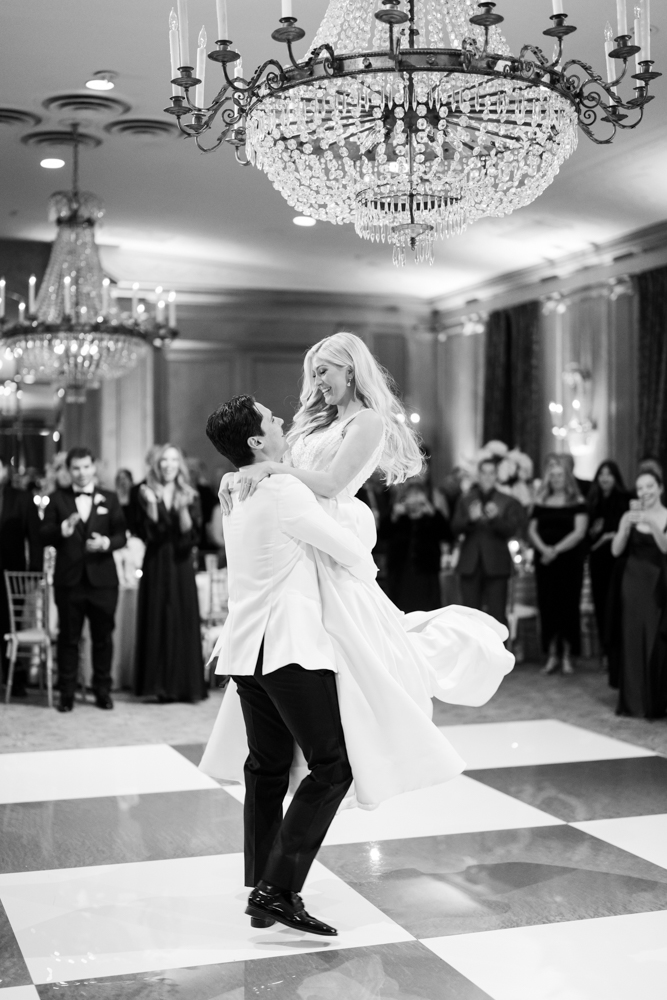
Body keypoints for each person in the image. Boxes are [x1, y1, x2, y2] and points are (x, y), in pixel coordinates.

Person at [212, 332, 513, 812]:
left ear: (350, 369)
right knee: (293, 669)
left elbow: (330, 484)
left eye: (323, 372)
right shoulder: (316, 422)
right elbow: (266, 461)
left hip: (329, 541)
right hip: (299, 541)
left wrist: (274, 473)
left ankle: (348, 763)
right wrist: (240, 472)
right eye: (313, 373)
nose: (316, 383)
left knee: (351, 665)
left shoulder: (368, 421)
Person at [202, 395, 393, 935]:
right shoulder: (282, 487)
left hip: (243, 651)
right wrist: (357, 525)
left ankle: (261, 884)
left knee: (265, 767)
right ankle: (277, 890)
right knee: (332, 766)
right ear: (257, 442)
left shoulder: (236, 490)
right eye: (269, 418)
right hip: (286, 650)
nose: (282, 419)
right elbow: (349, 552)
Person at [40, 447, 126, 712]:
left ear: (93, 468)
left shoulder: (110, 498)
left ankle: (102, 691)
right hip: (69, 581)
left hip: (103, 581)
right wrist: (60, 530)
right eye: (76, 468)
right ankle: (66, 693)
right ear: (68, 470)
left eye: (86, 467)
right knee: (68, 639)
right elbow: (42, 535)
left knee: (103, 639)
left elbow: (122, 534)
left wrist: (107, 542)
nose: (81, 472)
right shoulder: (56, 499)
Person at [134, 444, 207, 703]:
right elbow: (147, 534)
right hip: (155, 562)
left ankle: (184, 687)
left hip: (180, 563)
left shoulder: (190, 494)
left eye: (173, 460)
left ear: (180, 465)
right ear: (157, 464)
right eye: (164, 460)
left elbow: (191, 537)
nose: (168, 464)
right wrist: (153, 506)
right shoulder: (144, 491)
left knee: (181, 619)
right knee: (156, 619)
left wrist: (183, 509)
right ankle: (158, 686)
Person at [608, 468, 667, 719]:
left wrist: (652, 523)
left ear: (660, 488)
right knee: (631, 638)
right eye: (640, 488)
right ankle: (633, 702)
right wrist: (624, 527)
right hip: (632, 581)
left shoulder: (665, 515)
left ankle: (654, 701)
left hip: (657, 581)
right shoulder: (628, 516)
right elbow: (615, 550)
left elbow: (665, 549)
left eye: (649, 486)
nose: (645, 492)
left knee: (655, 637)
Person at [529, 459, 588, 675]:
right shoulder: (541, 500)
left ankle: (567, 655)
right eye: (552, 475)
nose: (556, 479)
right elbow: (532, 530)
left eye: (560, 475)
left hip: (569, 562)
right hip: (545, 562)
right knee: (548, 607)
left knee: (568, 607)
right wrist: (544, 549)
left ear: (567, 478)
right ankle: (552, 654)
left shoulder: (577, 500)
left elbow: (579, 532)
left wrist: (555, 550)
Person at [452, 458, 526, 629]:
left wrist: (495, 519)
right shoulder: (466, 499)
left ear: (496, 476)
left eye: (491, 473)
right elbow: (454, 528)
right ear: (478, 475)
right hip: (470, 563)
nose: (487, 477)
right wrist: (470, 520)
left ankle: (499, 654)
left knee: (497, 616)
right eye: (483, 473)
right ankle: (471, 655)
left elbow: (513, 529)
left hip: (497, 563)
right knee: (469, 617)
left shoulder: (508, 501)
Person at [0, 457, 43, 697]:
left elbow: (35, 537)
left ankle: (14, 678)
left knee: (11, 626)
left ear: (5, 470)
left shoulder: (21, 498)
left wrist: (34, 572)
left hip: (11, 574)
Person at [382, 483, 452, 612]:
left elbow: (447, 535)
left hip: (426, 572)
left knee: (428, 608)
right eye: (410, 497)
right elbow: (382, 534)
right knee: (401, 607)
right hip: (401, 572)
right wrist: (394, 515)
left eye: (417, 497)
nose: (413, 502)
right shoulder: (399, 517)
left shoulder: (431, 517)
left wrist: (433, 513)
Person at [586, 461, 630, 663]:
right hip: (598, 561)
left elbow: (627, 532)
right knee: (601, 604)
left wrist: (609, 536)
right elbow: (588, 535)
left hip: (617, 561)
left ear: (616, 477)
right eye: (601, 474)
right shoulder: (592, 501)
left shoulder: (625, 500)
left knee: (618, 605)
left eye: (609, 474)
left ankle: (619, 650)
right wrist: (596, 534)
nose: (605, 478)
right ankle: (605, 651)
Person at [115, 468, 139, 537]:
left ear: (130, 479)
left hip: (135, 533)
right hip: (120, 533)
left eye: (124, 478)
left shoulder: (136, 495)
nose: (122, 481)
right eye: (119, 479)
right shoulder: (114, 497)